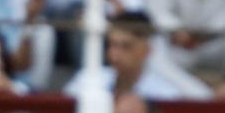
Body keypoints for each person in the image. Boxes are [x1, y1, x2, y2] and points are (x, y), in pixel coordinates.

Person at [74, 10, 211, 99]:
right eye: (112, 45)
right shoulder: (86, 80)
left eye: (125, 46)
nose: (114, 54)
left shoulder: (165, 96)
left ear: (147, 50)